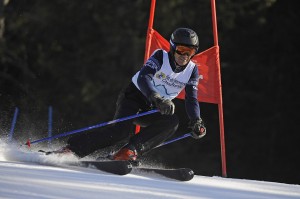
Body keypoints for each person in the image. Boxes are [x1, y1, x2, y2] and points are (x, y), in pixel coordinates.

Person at [56, 27, 206, 161]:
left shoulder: (192, 70)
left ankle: (128, 151)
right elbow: (143, 77)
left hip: (153, 107)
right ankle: (73, 149)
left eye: (190, 52)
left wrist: (196, 121)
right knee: (119, 132)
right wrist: (156, 97)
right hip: (134, 97)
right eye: (181, 50)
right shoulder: (161, 56)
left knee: (171, 122)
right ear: (173, 47)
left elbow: (191, 98)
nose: (184, 56)